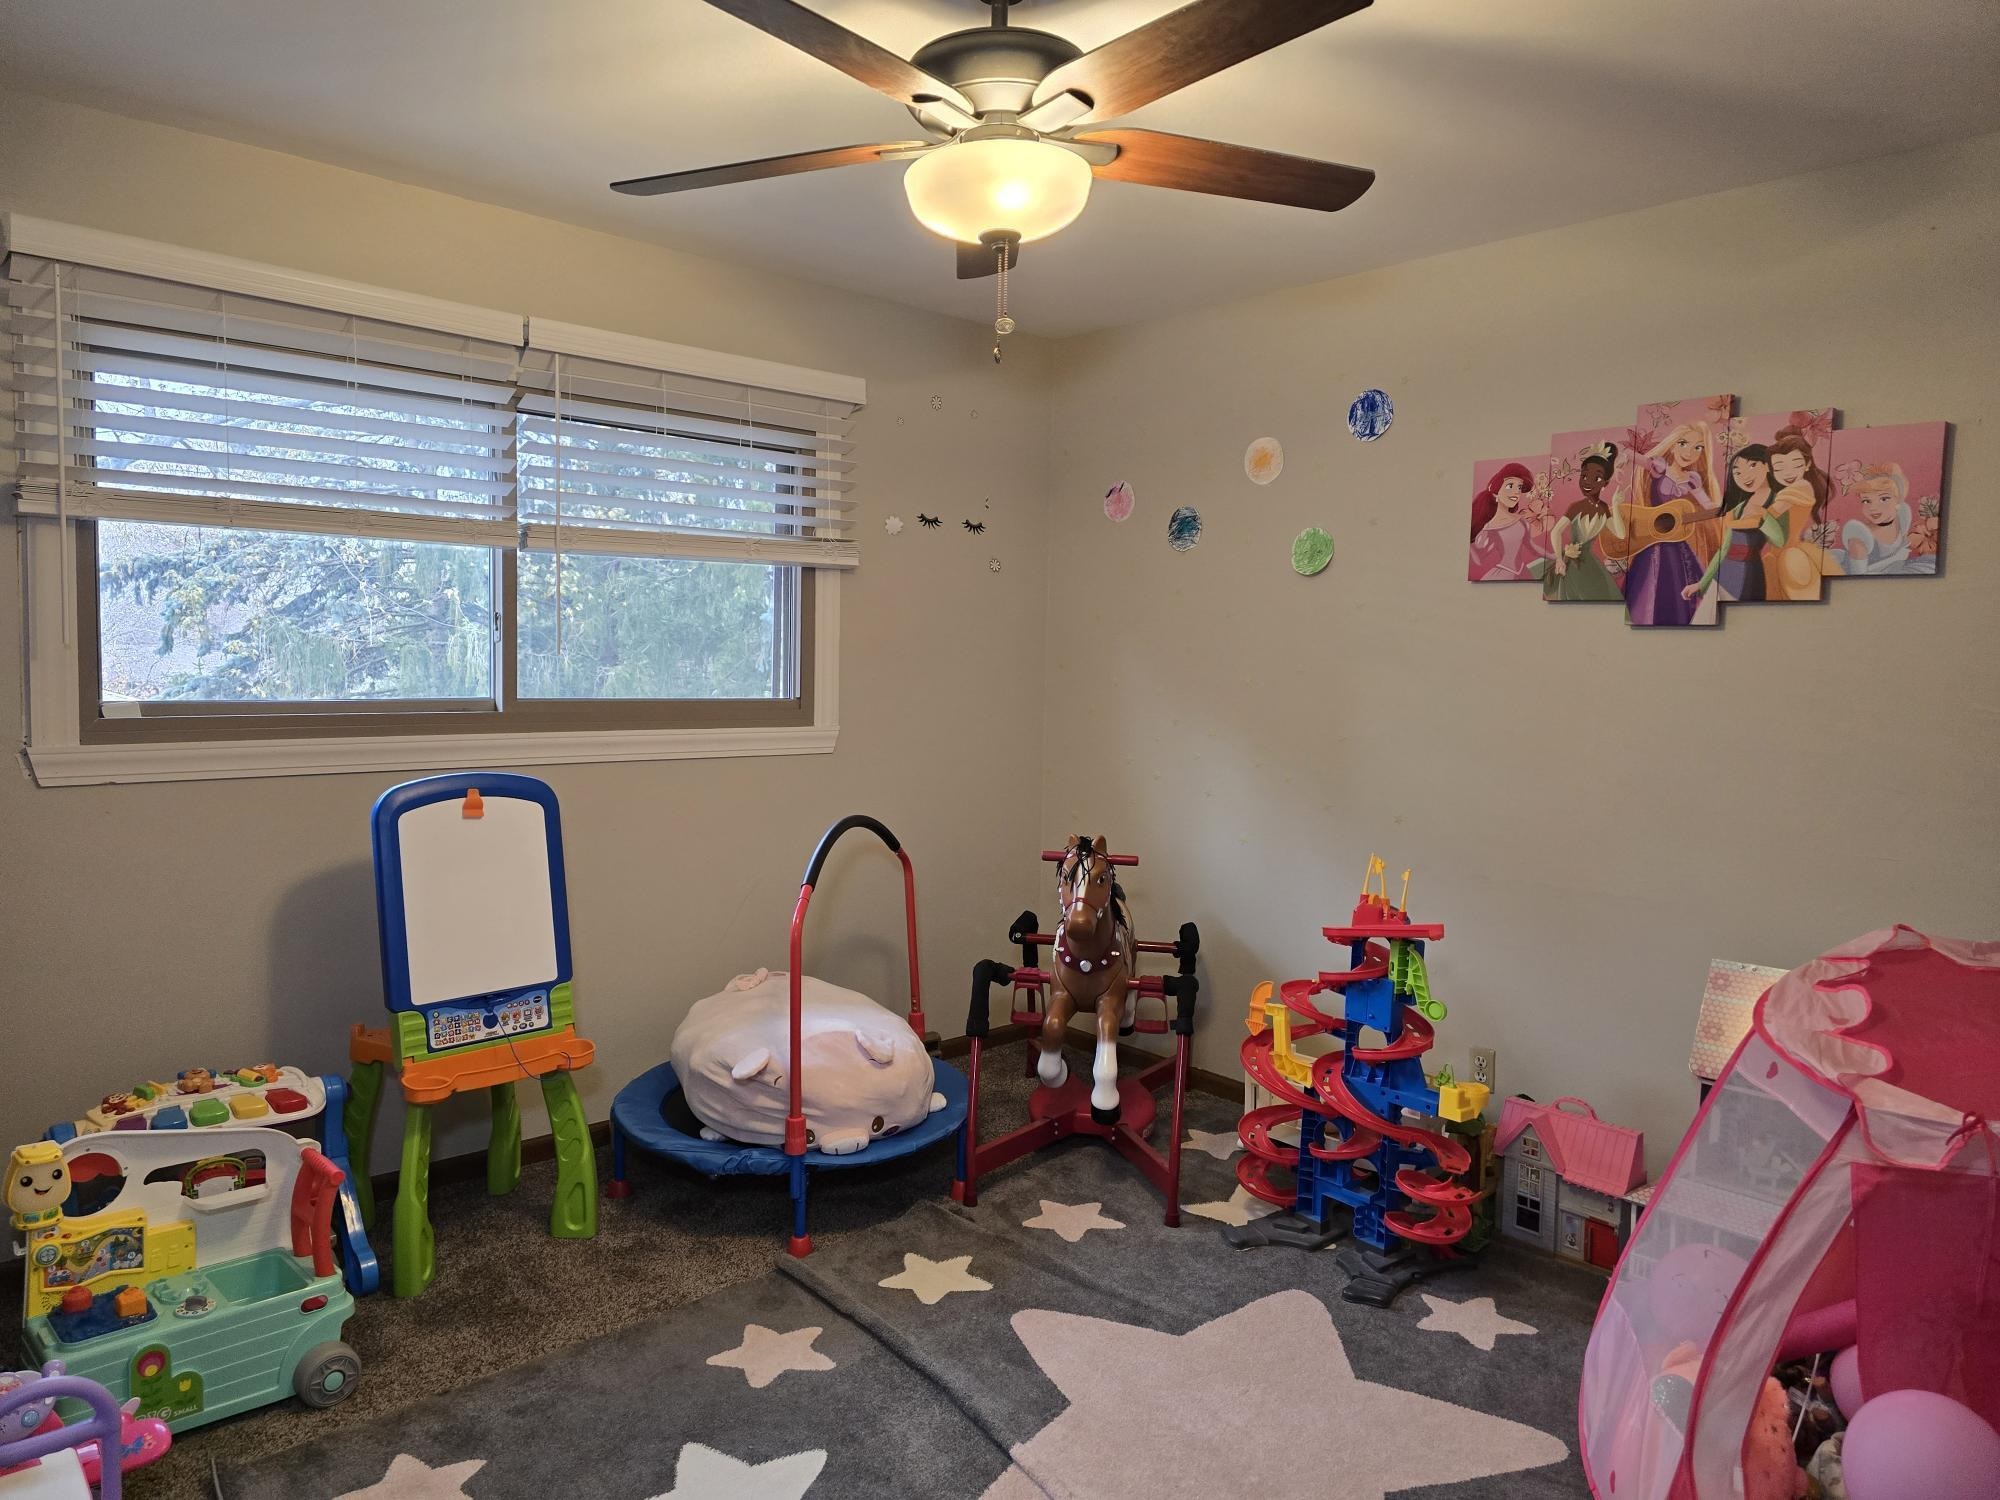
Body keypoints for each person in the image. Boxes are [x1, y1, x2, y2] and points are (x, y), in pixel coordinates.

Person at [1625, 422, 1720, 626]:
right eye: (1684, 443)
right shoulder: (1659, 468)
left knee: (1678, 587)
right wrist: (1620, 458)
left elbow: (1708, 506)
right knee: (1648, 588)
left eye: (1698, 447)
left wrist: (1724, 507)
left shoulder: (1692, 479)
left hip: (1677, 544)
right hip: (1653, 544)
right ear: (1673, 445)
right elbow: (1630, 455)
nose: (1690, 452)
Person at [1684, 444, 1784, 603]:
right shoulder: (1739, 508)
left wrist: (1764, 515)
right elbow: (1724, 549)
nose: (1744, 476)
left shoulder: (1780, 501)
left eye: (1752, 465)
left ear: (1767, 465)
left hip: (1749, 574)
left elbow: (1779, 541)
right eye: (1737, 472)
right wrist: (1702, 583)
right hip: (1723, 575)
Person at [1540, 442, 1626, 601]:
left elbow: (1620, 534)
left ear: (1605, 483)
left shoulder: (1604, 508)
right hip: (1573, 563)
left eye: (1597, 478)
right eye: (1584, 476)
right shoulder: (1576, 507)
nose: (1588, 482)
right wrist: (1559, 558)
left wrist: (1615, 505)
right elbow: (1556, 531)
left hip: (1591, 563)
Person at [1764, 427, 1840, 599]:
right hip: (1778, 552)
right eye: (1779, 468)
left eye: (1796, 465)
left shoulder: (1800, 487)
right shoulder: (1787, 490)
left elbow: (1770, 515)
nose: (1788, 473)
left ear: (1807, 464)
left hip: (1791, 553)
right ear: (1771, 470)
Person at [1840, 462, 1934, 575]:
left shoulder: (1902, 518)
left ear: (1898, 499)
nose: (1873, 508)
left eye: (1884, 499)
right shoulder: (1860, 540)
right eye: (1866, 501)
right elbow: (1856, 578)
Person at [1469, 463, 1552, 581]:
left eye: (1519, 488)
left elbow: (1532, 547)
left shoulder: (1521, 521)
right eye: (1510, 486)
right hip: (1503, 575)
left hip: (1523, 572)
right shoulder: (1489, 527)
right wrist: (1471, 548)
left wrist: (1554, 556)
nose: (1516, 492)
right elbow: (1479, 560)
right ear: (1496, 492)